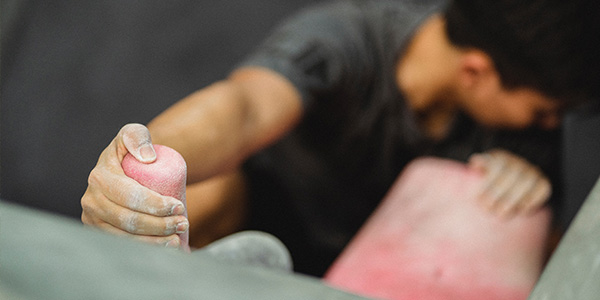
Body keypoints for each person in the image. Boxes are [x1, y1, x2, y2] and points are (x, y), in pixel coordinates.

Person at [81, 0, 600, 276]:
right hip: (243, 236)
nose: (549, 125)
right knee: (210, 191)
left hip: (367, 280)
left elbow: (546, 271)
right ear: (475, 72)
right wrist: (135, 168)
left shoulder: (520, 129)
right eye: (545, 110)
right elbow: (245, 108)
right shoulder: (343, 39)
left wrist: (523, 202)